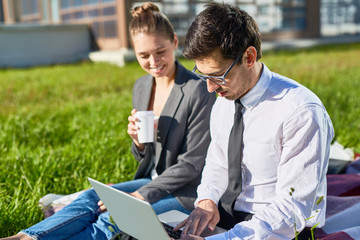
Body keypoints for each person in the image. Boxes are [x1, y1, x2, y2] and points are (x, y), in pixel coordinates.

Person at [3, 2, 215, 240]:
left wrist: (141, 195)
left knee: (112, 218)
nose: (153, 62)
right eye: (143, 55)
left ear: (175, 42)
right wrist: (139, 143)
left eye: (160, 52)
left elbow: (192, 164)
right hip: (150, 179)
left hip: (183, 193)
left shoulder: (198, 90)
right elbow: (145, 158)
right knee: (90, 198)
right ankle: (25, 238)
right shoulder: (142, 86)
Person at [173, 2, 334, 240]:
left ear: (249, 57)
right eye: (202, 75)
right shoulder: (225, 99)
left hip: (275, 230)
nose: (209, 87)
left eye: (217, 76)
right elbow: (217, 162)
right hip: (227, 221)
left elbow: (291, 211)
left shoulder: (300, 112)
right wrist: (206, 200)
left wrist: (224, 239)